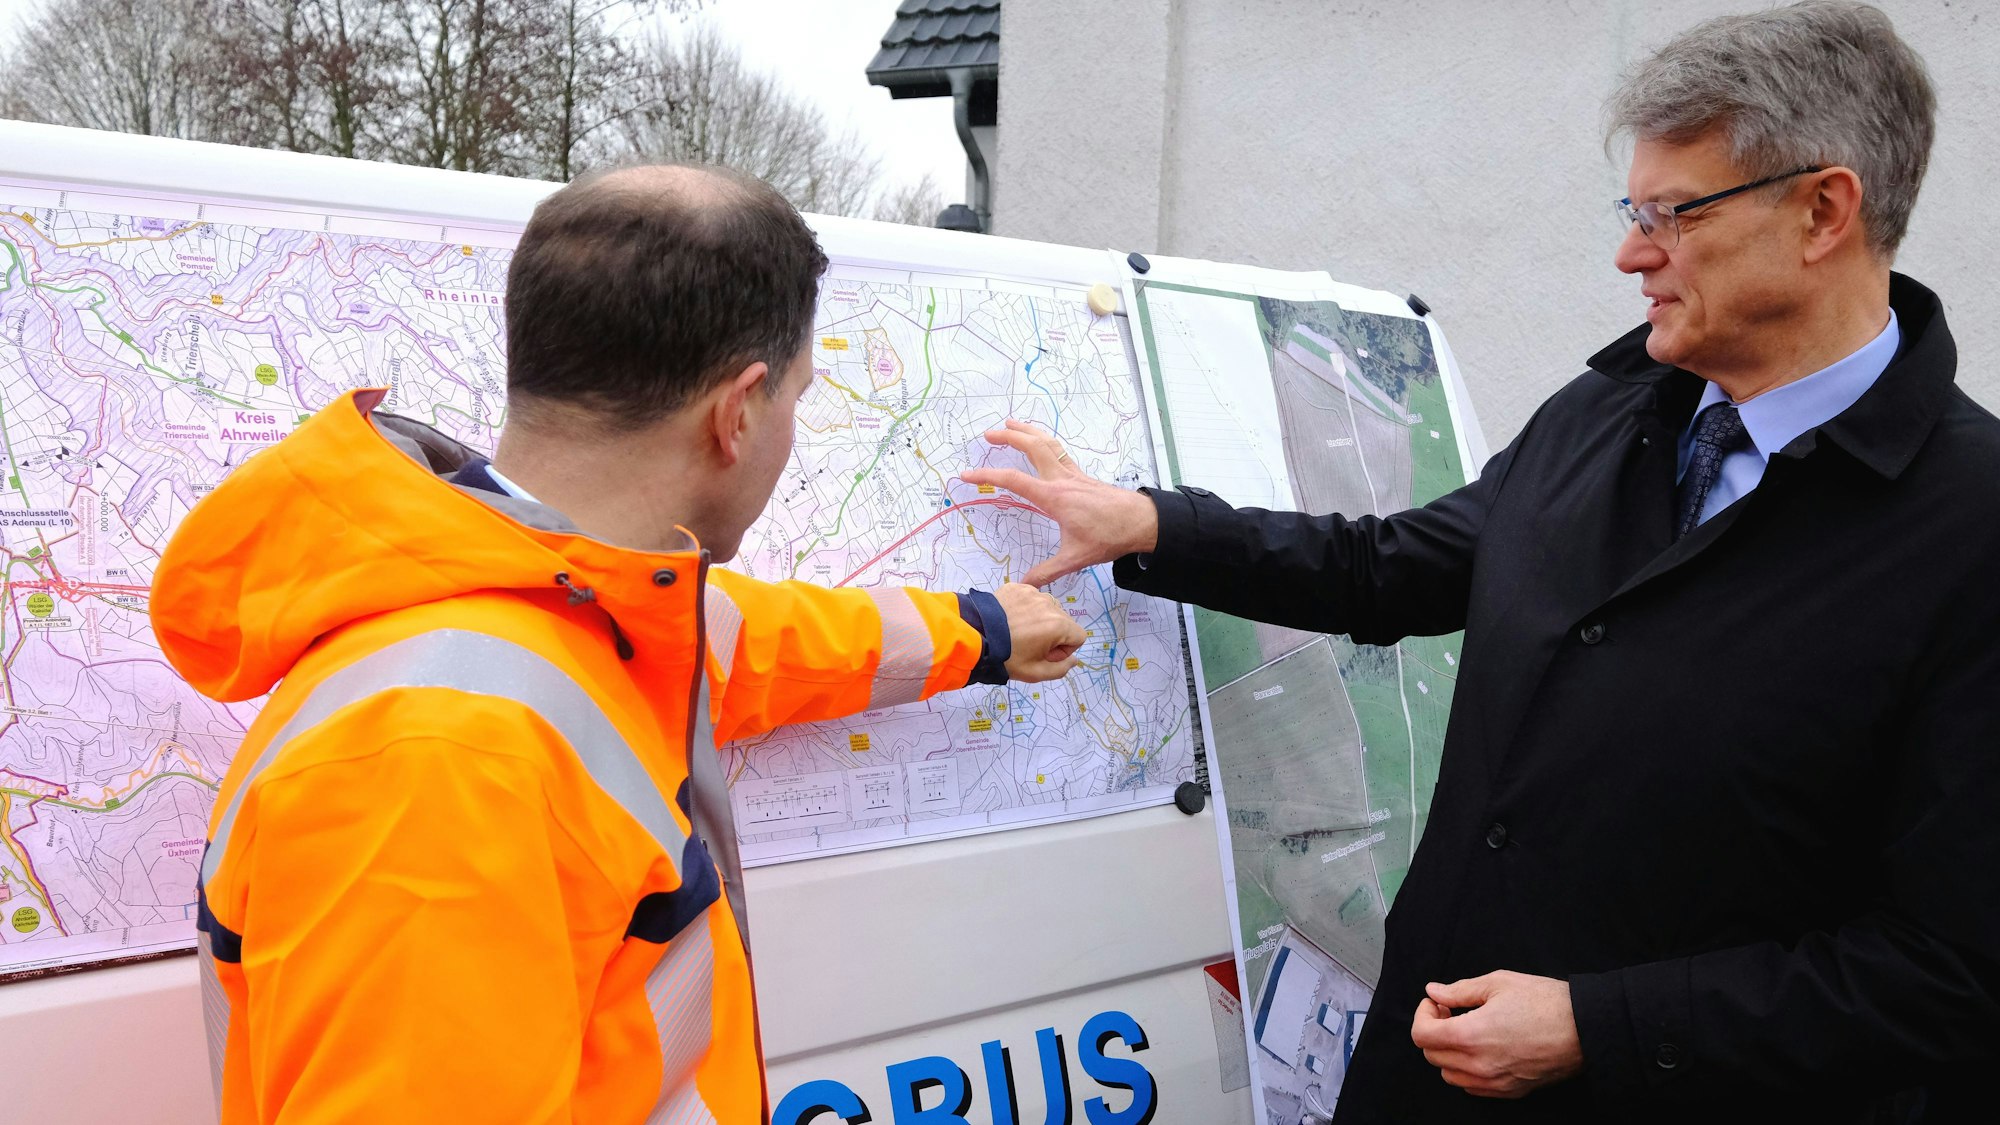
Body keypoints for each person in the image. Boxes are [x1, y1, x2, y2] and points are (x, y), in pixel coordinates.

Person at [964, 4, 1999, 1121]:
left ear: (1822, 212)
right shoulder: (1609, 412)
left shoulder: (1970, 526)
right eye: (1631, 211)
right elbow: (1394, 567)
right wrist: (1149, 525)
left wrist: (1598, 1027)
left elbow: (1950, 974)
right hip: (1425, 1073)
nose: (1630, 253)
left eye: (1672, 213)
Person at [152, 164, 1086, 1124]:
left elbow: (757, 640)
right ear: (737, 412)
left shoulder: (568, 597)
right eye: (796, 399)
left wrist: (983, 630)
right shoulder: (439, 763)